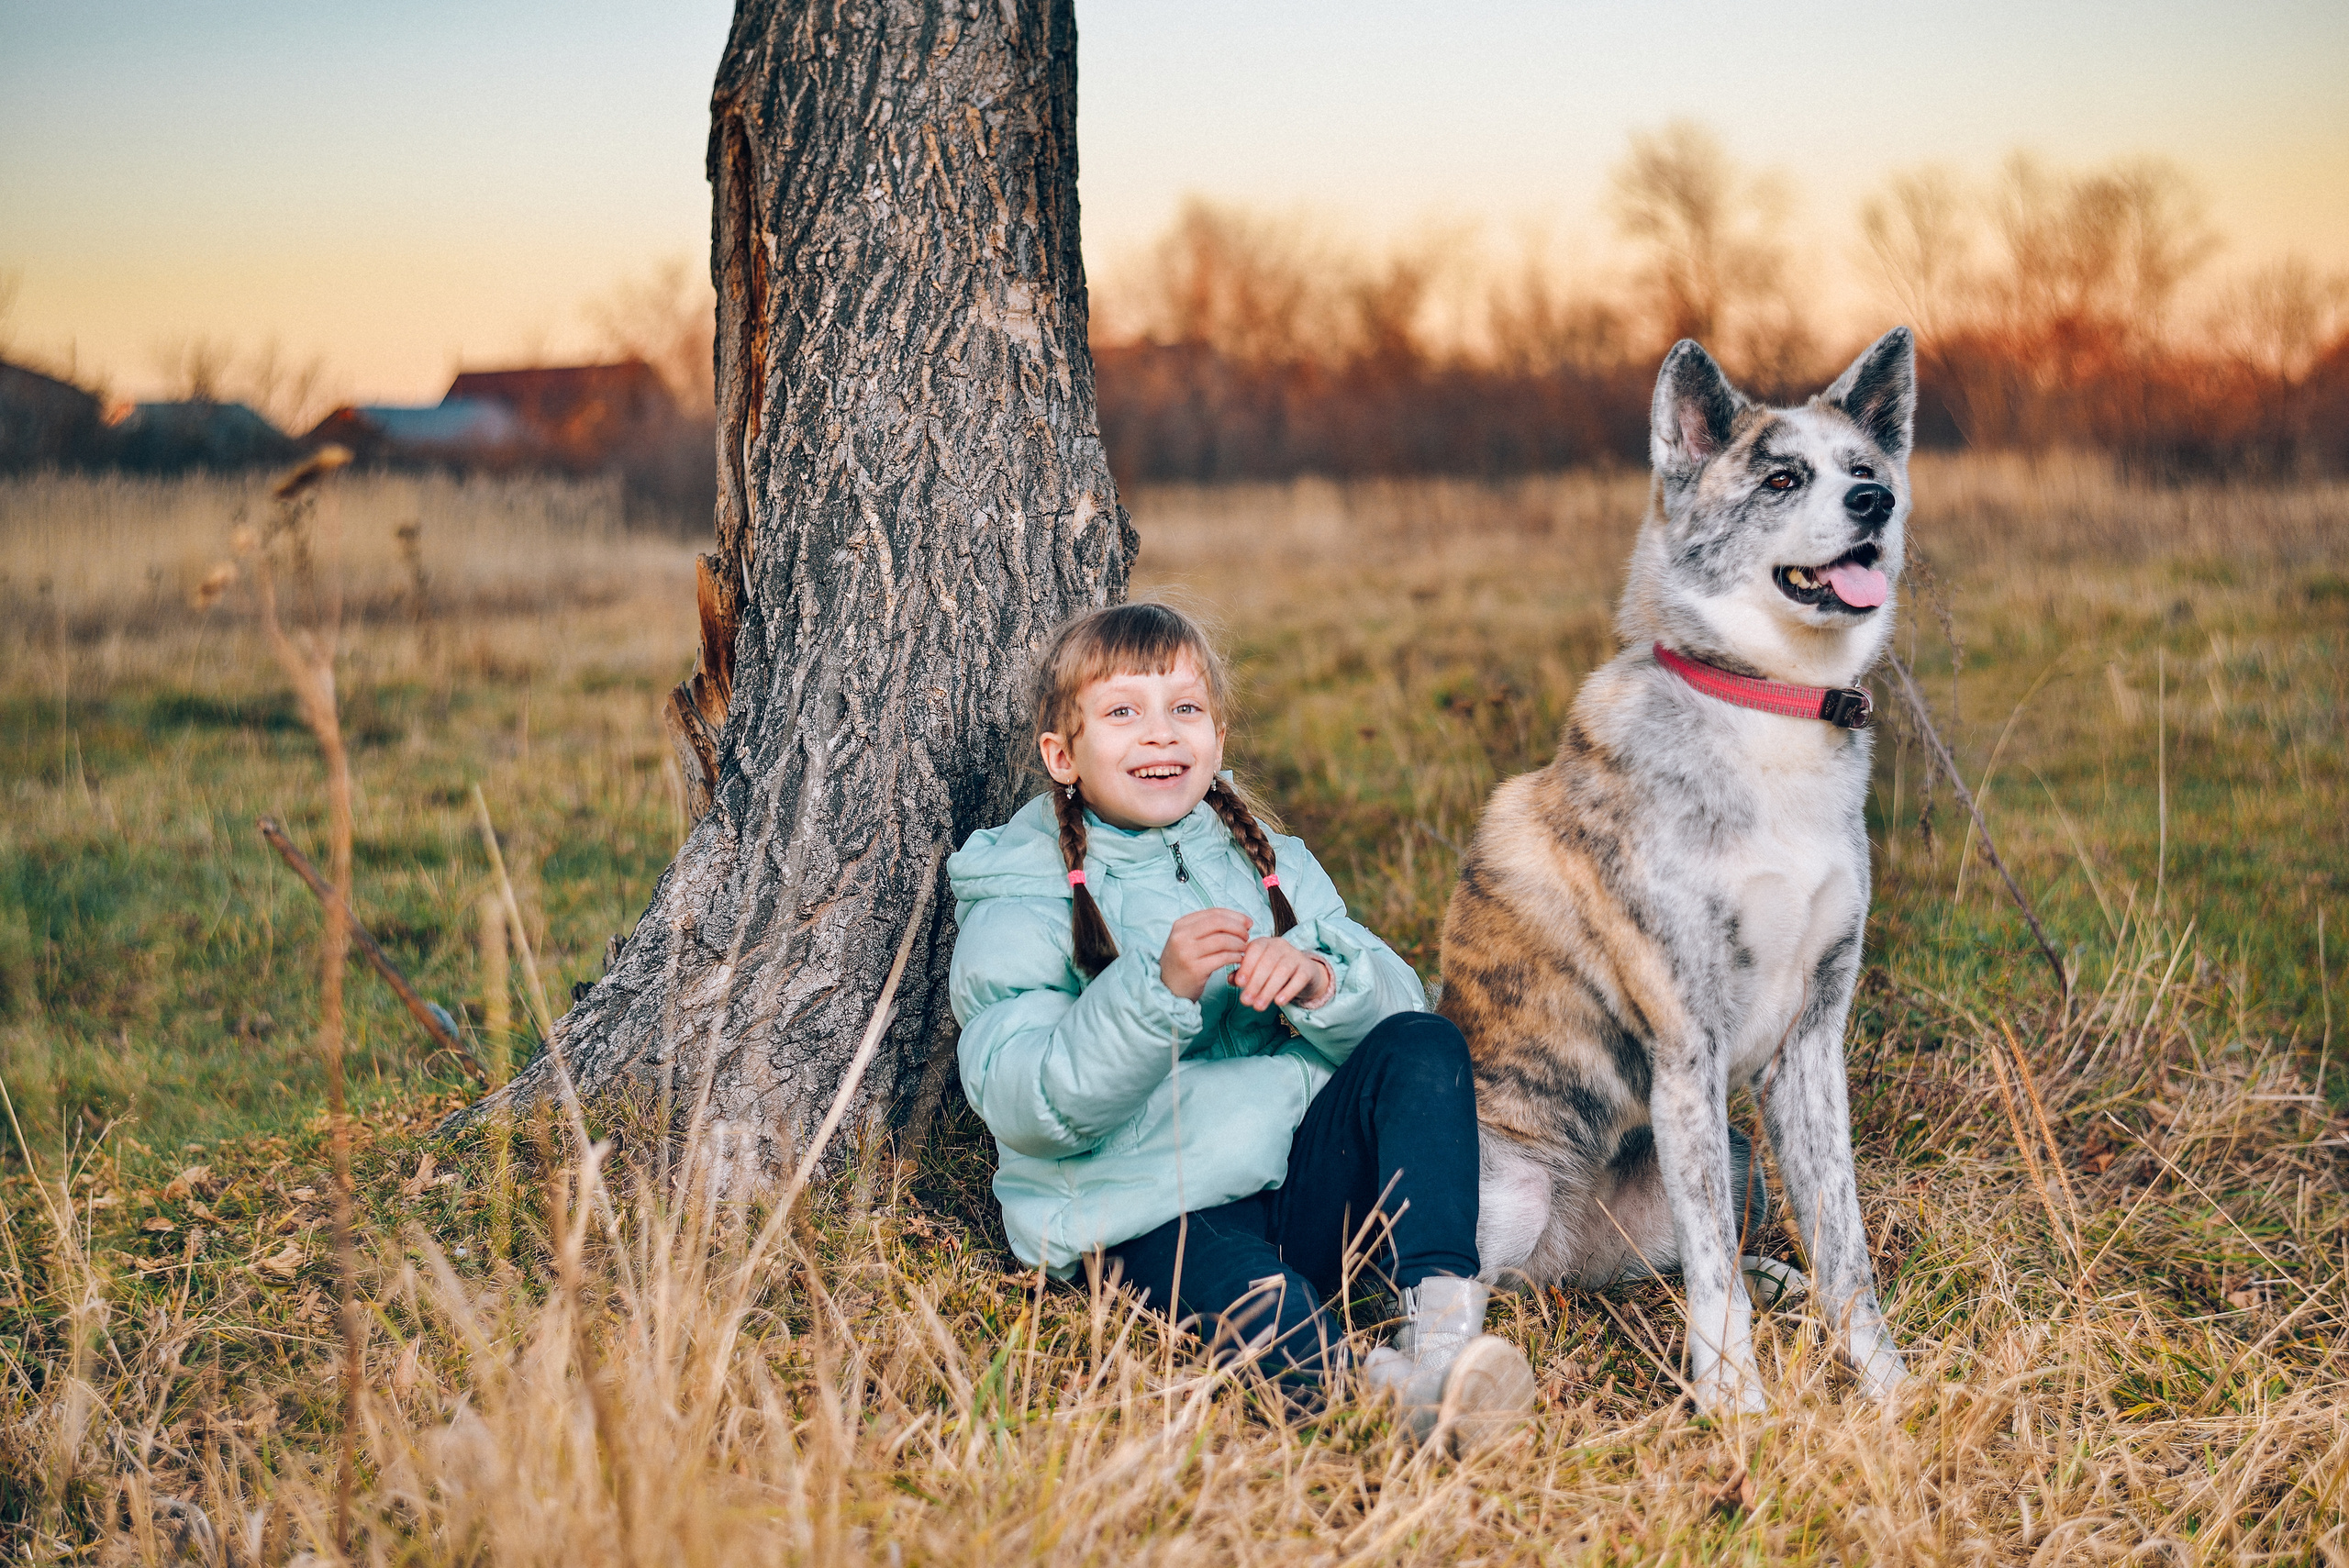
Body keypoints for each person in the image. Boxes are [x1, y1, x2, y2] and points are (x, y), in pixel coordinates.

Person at [945, 602, 1536, 1446]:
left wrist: (1323, 985)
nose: (1160, 735)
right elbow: (1033, 1103)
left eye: (1184, 709)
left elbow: (1401, 1024)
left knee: (1423, 1040)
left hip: (1300, 1183)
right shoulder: (1022, 895)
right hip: (1149, 1213)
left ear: (1217, 738)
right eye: (1122, 712)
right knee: (1272, 1312)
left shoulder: (1271, 863)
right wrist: (1159, 992)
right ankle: (1392, 1401)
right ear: (1061, 754)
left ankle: (1444, 1334)